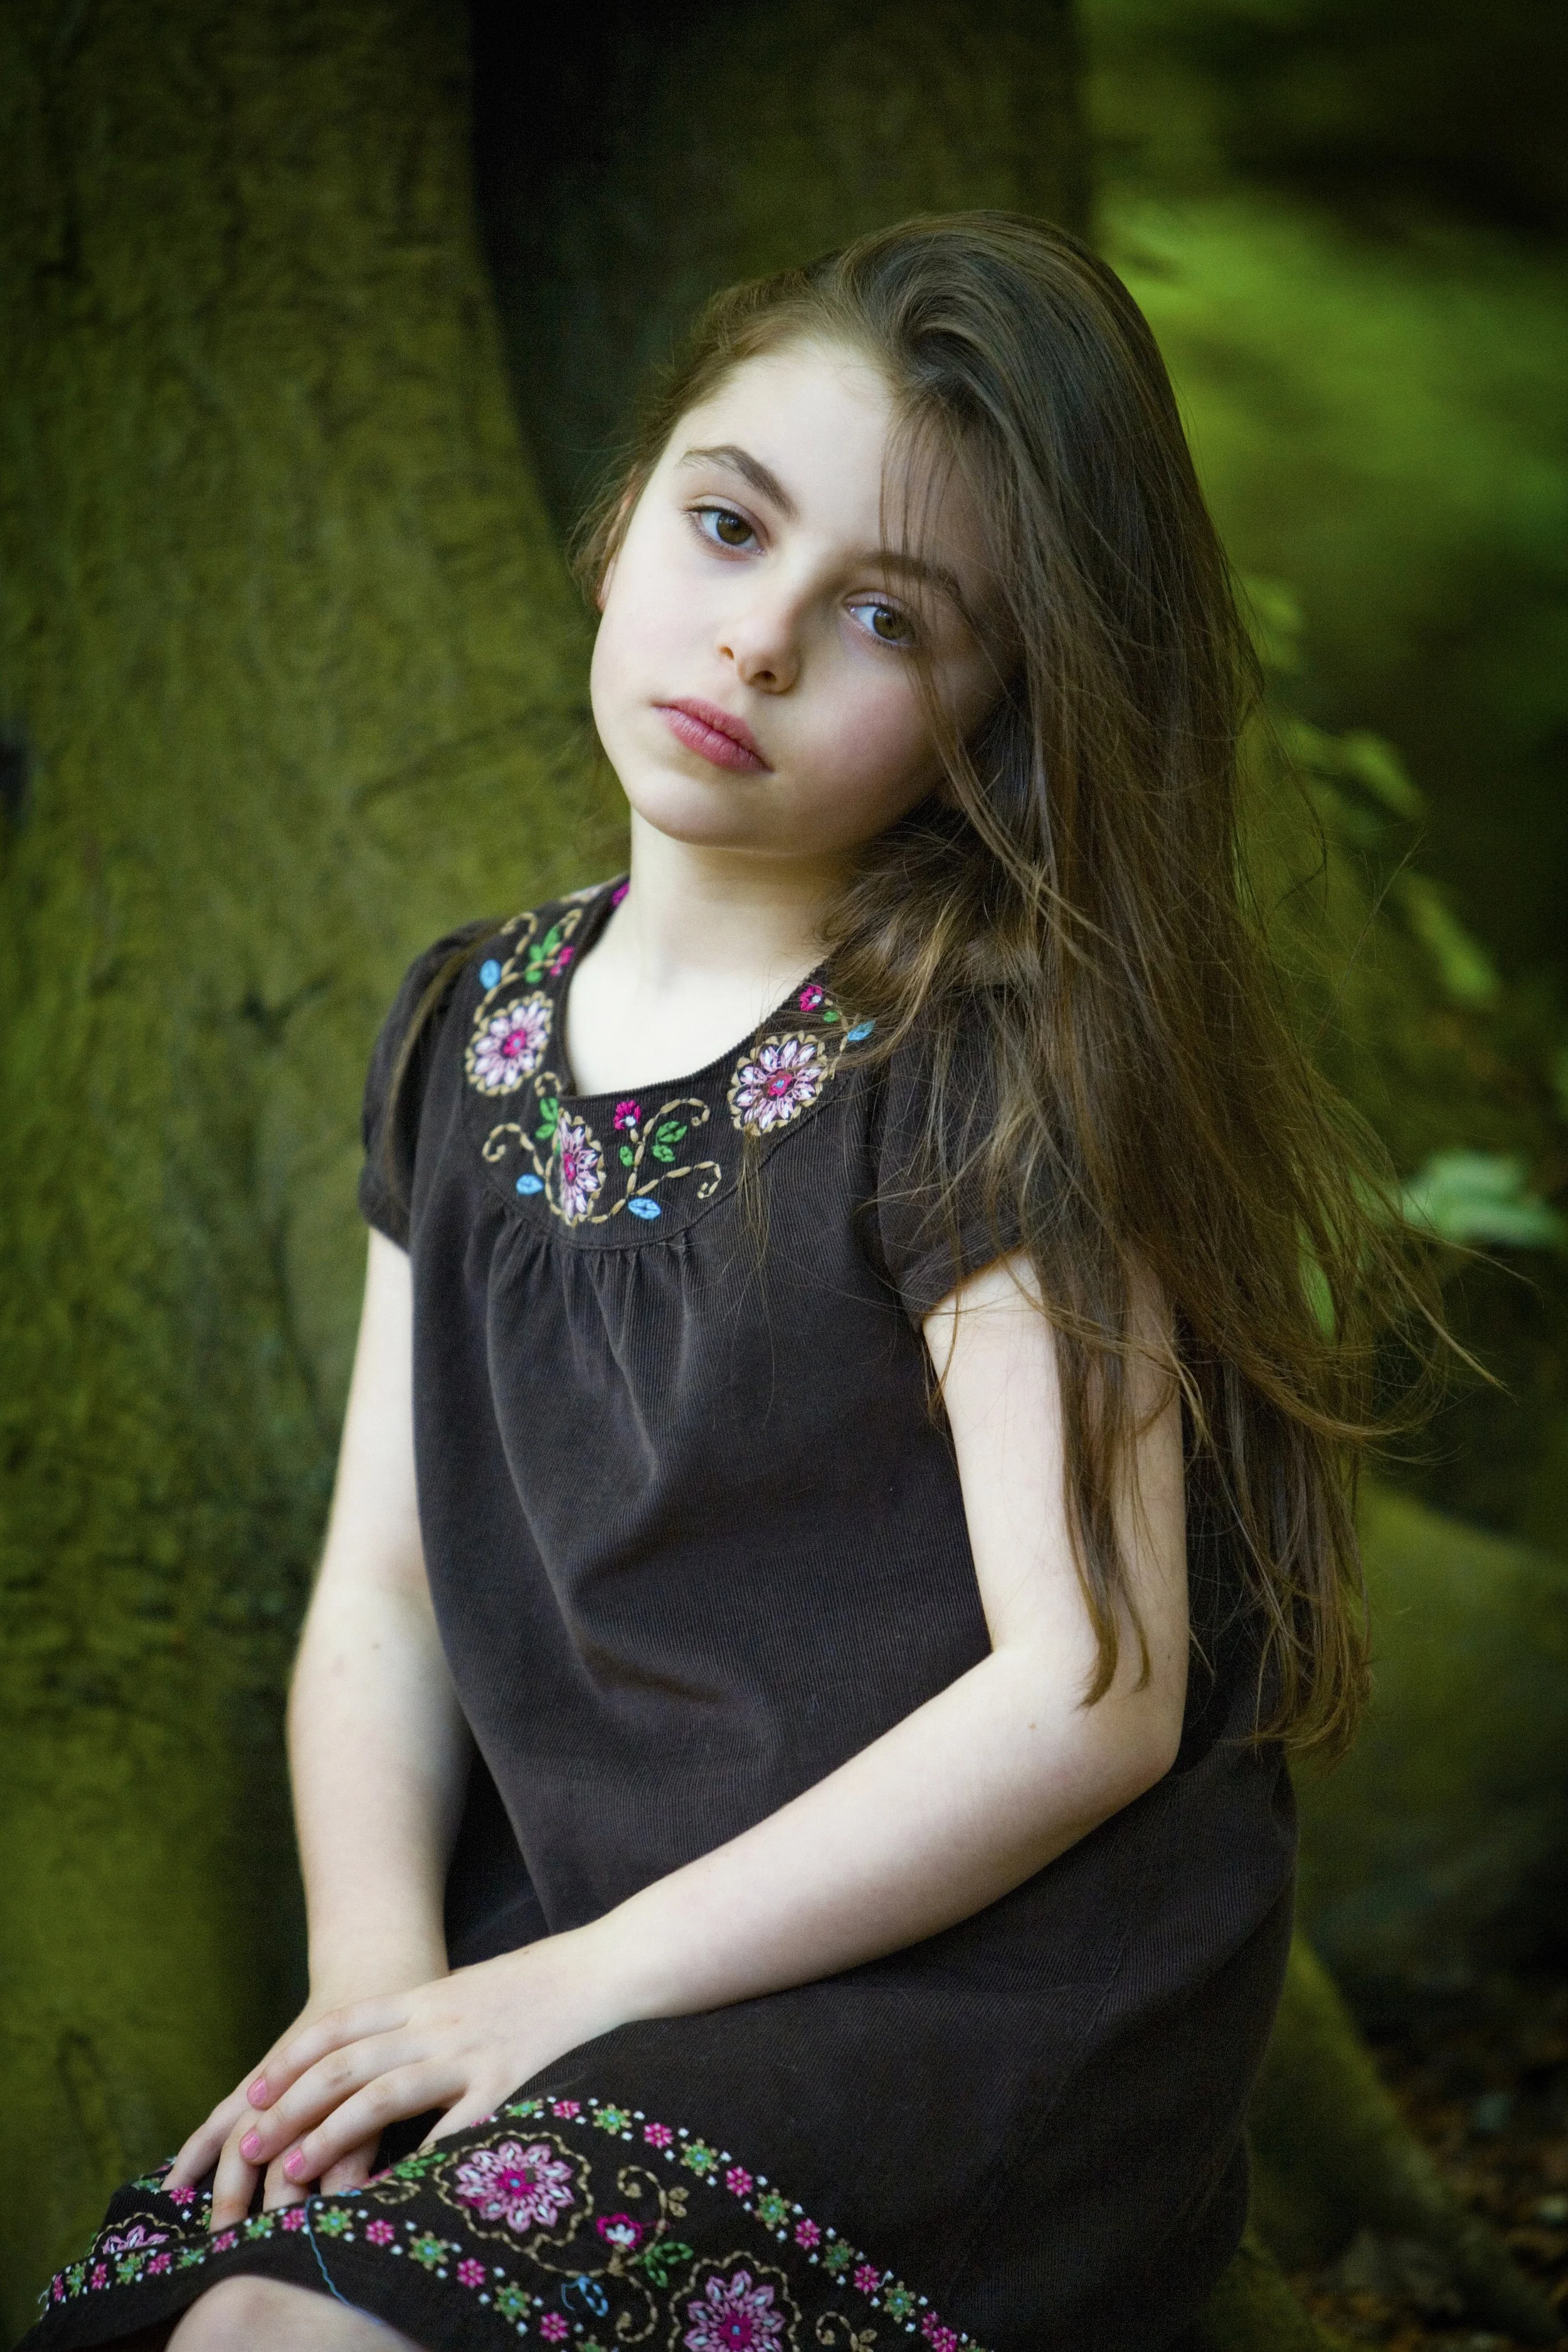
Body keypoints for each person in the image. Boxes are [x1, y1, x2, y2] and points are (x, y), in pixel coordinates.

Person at [26, 213, 1413, 2352]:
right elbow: (383, 1593)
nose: (755, 639)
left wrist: (566, 1990)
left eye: (881, 615)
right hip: (566, 1970)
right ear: (621, 518)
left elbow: (1093, 1689)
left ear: (994, 719)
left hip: (954, 2017)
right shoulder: (461, 1025)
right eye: (723, 525)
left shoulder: (981, 1067)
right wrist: (376, 1985)